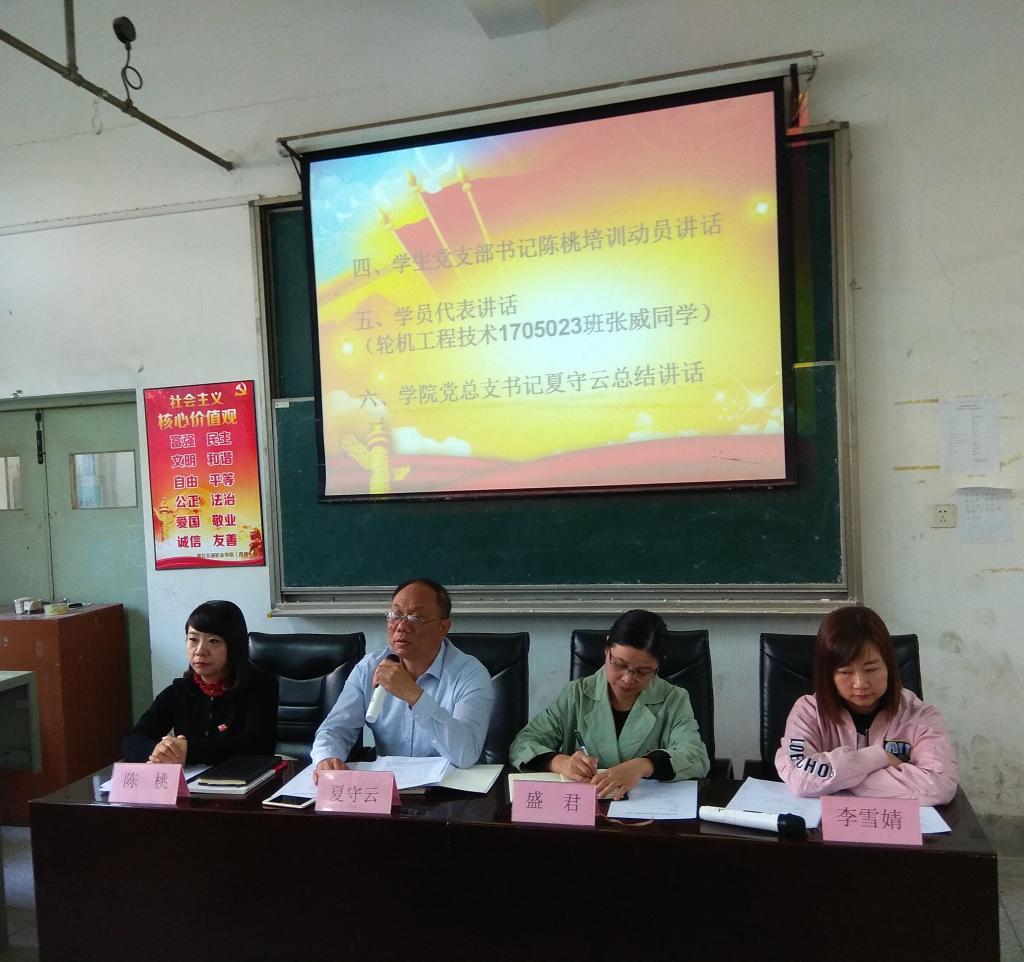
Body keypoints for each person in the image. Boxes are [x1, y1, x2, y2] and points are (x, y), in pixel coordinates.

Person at [509, 609, 710, 799]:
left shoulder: (673, 699)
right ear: (607, 649)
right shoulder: (576, 694)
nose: (628, 679)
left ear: (658, 665)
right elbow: (523, 744)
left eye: (643, 671)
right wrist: (560, 763)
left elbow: (697, 757)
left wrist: (644, 766)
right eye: (620, 664)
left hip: (646, 812)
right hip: (584, 807)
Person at [311, 577, 494, 781]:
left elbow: (466, 754)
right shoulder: (368, 668)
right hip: (387, 788)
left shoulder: (471, 674)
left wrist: (415, 697)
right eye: (396, 615)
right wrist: (326, 758)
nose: (401, 627)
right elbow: (334, 730)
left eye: (416, 618)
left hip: (450, 789)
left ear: (443, 627)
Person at [776, 605, 958, 806]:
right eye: (845, 672)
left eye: (871, 669)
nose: (860, 684)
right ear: (828, 675)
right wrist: (878, 757)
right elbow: (799, 776)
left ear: (889, 666)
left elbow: (939, 786)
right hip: (823, 824)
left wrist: (836, 780)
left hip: (893, 823)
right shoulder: (808, 712)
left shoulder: (920, 716)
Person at [122, 600, 278, 765]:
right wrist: (160, 752)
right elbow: (133, 739)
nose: (200, 651)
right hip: (190, 780)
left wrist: (189, 752)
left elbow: (257, 745)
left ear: (234, 646)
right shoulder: (179, 690)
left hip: (240, 778)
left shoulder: (259, 686)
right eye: (193, 639)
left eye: (213, 641)